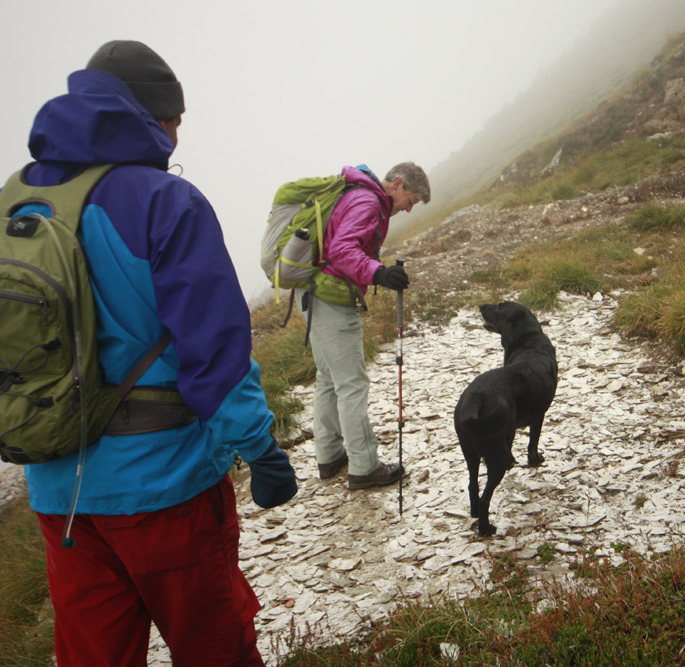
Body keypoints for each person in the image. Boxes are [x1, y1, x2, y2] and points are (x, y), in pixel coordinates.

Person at [9, 41, 297, 665]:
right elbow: (214, 355)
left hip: (59, 494)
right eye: (176, 120)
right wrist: (260, 448)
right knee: (214, 647)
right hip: (166, 490)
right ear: (151, 115)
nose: (175, 135)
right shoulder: (166, 202)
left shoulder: (19, 203)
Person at [308, 162, 430, 489]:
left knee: (328, 379)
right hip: (332, 298)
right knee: (352, 383)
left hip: (314, 294)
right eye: (411, 200)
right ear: (399, 184)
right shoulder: (368, 202)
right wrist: (379, 274)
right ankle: (364, 467)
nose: (407, 208)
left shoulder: (359, 195)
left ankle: (330, 456)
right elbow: (342, 250)